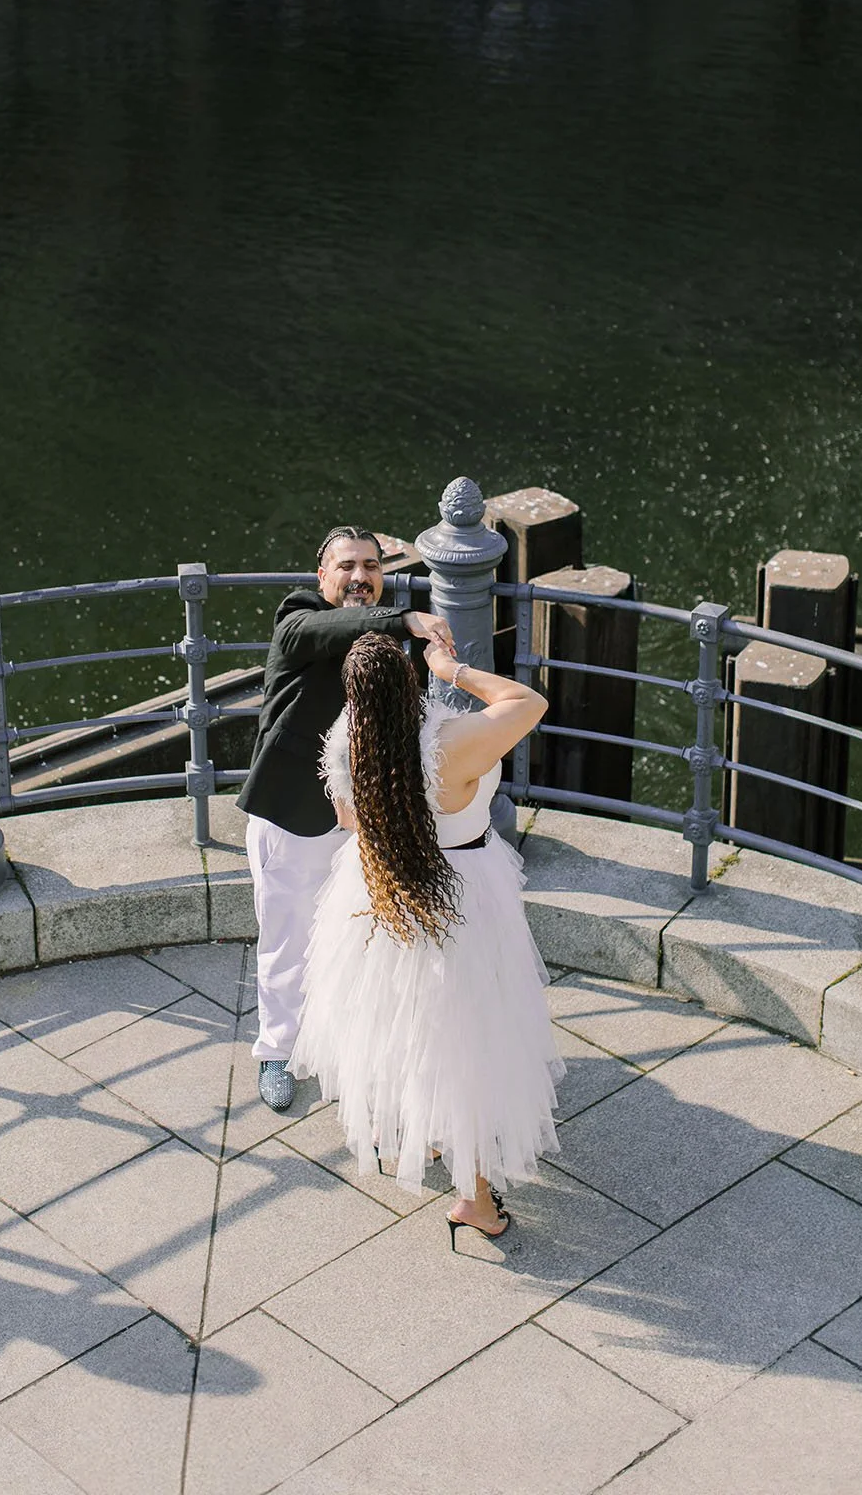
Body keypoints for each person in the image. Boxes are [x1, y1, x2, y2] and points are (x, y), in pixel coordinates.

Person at [289, 633, 564, 1246]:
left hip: (381, 894)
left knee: (405, 1023)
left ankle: (431, 1135)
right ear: (413, 682)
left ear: (352, 694)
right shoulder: (454, 742)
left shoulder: (346, 745)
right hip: (462, 893)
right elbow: (528, 702)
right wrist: (452, 668)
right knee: (464, 1036)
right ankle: (474, 1198)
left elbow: (347, 821)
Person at [237, 528, 455, 1112]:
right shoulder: (298, 619)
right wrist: (403, 620)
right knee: (288, 938)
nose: (360, 576)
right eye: (347, 566)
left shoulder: (384, 635)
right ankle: (278, 1050)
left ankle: (349, 1048)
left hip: (366, 818)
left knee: (359, 936)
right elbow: (319, 633)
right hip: (294, 812)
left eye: (371, 566)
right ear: (322, 576)